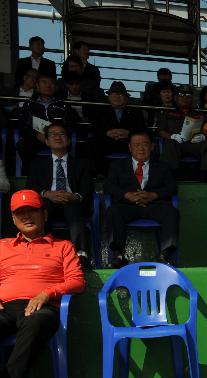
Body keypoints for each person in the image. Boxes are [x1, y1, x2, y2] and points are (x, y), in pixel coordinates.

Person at [0, 190, 85, 378]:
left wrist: (48, 292)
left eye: (33, 212)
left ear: (44, 214)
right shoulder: (2, 246)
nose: (27, 217)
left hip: (42, 308)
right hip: (5, 307)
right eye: (21, 213)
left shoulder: (63, 246)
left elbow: (77, 281)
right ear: (13, 219)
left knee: (34, 324)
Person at [104, 131, 179, 267]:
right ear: (130, 147)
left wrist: (153, 195)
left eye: (145, 144)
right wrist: (127, 195)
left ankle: (164, 255)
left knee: (171, 212)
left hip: (154, 204)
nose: (141, 148)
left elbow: (172, 188)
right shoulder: (118, 166)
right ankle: (118, 256)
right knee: (113, 211)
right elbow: (109, 186)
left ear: (152, 147)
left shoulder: (162, 166)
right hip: (128, 205)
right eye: (136, 145)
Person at [24, 123, 94, 268]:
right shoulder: (37, 164)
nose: (57, 137)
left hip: (72, 200)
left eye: (62, 134)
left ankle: (80, 254)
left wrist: (73, 196)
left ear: (68, 141)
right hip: (48, 201)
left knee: (73, 208)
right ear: (47, 141)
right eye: (53, 134)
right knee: (41, 210)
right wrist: (47, 193)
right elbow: (30, 187)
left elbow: (87, 187)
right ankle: (41, 253)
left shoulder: (82, 163)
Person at [16, 75, 79, 176]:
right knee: (23, 145)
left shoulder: (63, 105)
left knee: (67, 144)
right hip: (37, 138)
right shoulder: (29, 104)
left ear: (56, 87)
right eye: (44, 82)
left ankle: (62, 177)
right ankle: (29, 176)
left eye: (52, 83)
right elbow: (23, 125)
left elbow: (72, 123)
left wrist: (57, 133)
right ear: (37, 86)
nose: (48, 85)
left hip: (58, 138)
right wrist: (36, 135)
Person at [157, 85, 207, 181]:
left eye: (189, 95)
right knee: (169, 143)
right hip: (177, 143)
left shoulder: (199, 113)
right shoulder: (168, 112)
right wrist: (172, 136)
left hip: (195, 143)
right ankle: (171, 177)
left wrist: (203, 136)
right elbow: (161, 131)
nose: (185, 98)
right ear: (176, 98)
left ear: (193, 98)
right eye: (181, 95)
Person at [95, 81, 146, 172]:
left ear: (126, 98)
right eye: (115, 94)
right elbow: (94, 127)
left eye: (121, 94)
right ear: (109, 96)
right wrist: (107, 132)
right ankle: (100, 172)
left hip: (128, 142)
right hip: (107, 142)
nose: (118, 97)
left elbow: (142, 128)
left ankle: (138, 172)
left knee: (142, 144)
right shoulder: (101, 110)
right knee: (93, 143)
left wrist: (129, 133)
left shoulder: (135, 111)